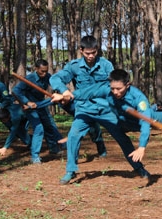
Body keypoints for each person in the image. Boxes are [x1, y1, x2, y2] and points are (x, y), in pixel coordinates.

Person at [50, 35, 150, 184]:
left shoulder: (106, 65)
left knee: (122, 138)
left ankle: (138, 168)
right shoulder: (74, 66)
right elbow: (55, 79)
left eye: (94, 53)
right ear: (81, 50)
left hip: (105, 109)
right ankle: (70, 171)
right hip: (84, 109)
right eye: (87, 53)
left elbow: (106, 87)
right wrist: (64, 91)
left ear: (97, 50)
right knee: (73, 136)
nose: (90, 56)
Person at [13, 59, 64, 163]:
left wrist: (59, 92)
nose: (44, 74)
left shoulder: (48, 77)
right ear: (36, 69)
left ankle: (53, 149)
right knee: (39, 128)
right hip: (31, 108)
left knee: (49, 126)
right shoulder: (29, 78)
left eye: (46, 71)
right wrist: (27, 102)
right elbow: (16, 90)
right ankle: (35, 156)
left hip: (41, 105)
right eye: (42, 71)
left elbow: (56, 84)